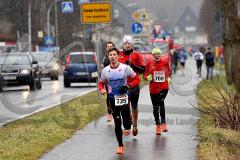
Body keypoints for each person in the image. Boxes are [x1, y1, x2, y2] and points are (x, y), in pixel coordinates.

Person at [98, 47, 140, 154]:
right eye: (110, 55)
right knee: (117, 122)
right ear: (108, 57)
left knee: (126, 118)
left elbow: (137, 79)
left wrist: (129, 86)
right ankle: (120, 145)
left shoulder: (125, 68)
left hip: (124, 97)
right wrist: (102, 89)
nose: (112, 57)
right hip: (112, 98)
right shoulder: (105, 70)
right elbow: (101, 83)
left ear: (118, 56)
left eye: (114, 55)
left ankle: (128, 126)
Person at [118, 35, 145, 136]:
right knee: (124, 107)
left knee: (134, 105)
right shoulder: (119, 54)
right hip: (122, 85)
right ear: (122, 45)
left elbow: (143, 70)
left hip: (134, 84)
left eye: (129, 43)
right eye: (125, 43)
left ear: (132, 44)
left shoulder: (137, 55)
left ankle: (135, 125)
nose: (127, 45)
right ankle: (129, 119)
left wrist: (133, 66)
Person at [144, 48, 171, 135]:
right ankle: (158, 126)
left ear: (160, 54)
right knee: (155, 107)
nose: (156, 55)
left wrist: (169, 77)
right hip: (153, 88)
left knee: (161, 102)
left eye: (158, 54)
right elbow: (145, 74)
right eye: (155, 54)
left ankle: (164, 124)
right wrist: (147, 77)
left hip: (163, 87)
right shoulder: (149, 63)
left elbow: (168, 72)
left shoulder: (165, 62)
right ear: (153, 55)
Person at [101, 41, 114, 122]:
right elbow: (104, 68)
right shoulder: (105, 57)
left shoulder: (117, 55)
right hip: (108, 81)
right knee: (109, 96)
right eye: (108, 46)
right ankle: (109, 114)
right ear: (106, 48)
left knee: (118, 95)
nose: (109, 47)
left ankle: (117, 112)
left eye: (110, 46)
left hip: (117, 79)